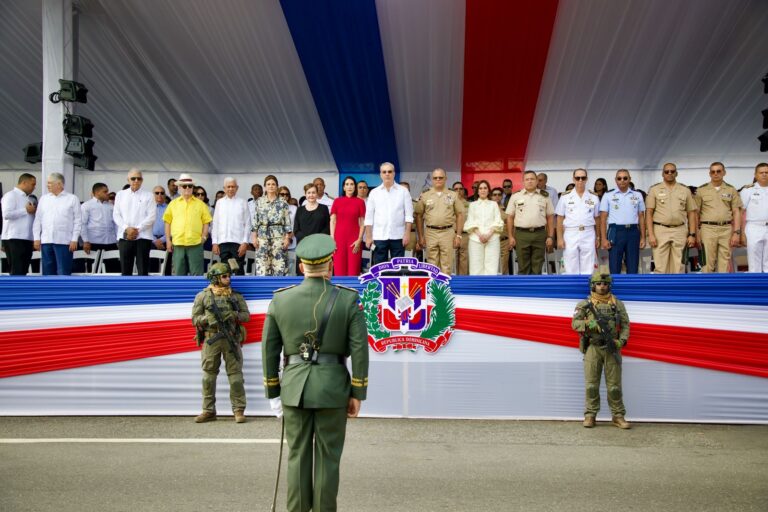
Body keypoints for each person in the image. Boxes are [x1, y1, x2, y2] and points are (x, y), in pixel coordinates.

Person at [261, 233, 369, 512]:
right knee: (328, 458)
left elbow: (269, 349)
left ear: (301, 267)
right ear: (331, 264)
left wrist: (273, 392)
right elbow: (359, 349)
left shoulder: (280, 300)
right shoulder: (348, 300)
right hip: (332, 389)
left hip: (294, 388)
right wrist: (358, 392)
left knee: (297, 456)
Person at [191, 262, 250, 424]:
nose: (228, 279)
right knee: (208, 377)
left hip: (231, 338)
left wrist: (234, 315)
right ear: (215, 278)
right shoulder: (203, 296)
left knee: (236, 377)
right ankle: (208, 410)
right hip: (212, 339)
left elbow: (246, 316)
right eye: (224, 276)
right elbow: (194, 319)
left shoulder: (235, 296)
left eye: (229, 276)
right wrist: (207, 319)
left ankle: (238, 410)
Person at [571, 269, 631, 429]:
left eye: (605, 284)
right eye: (598, 284)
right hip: (593, 347)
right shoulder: (585, 304)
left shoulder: (617, 304)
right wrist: (592, 324)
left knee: (614, 386)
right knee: (591, 385)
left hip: (612, 348)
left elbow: (625, 325)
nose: (602, 286)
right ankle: (590, 415)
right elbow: (575, 324)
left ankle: (618, 415)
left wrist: (621, 342)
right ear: (593, 285)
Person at [645, 163, 697, 274]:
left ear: (676, 173)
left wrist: (692, 234)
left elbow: (691, 213)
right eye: (667, 171)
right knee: (660, 267)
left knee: (679, 267)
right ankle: (661, 286)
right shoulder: (654, 190)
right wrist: (651, 234)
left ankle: (677, 286)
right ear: (662, 173)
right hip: (660, 230)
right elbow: (648, 213)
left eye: (672, 171)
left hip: (679, 230)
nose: (669, 173)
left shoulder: (685, 190)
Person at [414, 168, 465, 274]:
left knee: (447, 264)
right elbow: (418, 215)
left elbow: (460, 214)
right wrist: (421, 236)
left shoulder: (453, 195)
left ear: (445, 178)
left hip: (447, 232)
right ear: (432, 179)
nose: (438, 180)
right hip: (430, 232)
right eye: (435, 178)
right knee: (432, 264)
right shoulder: (425, 195)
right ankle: (434, 284)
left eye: (440, 177)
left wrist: (458, 235)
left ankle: (444, 284)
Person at [695, 162, 743, 273]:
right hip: (708, 229)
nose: (715, 174)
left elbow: (736, 212)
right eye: (713, 172)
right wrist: (697, 232)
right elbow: (695, 213)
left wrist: (736, 232)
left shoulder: (731, 189)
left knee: (724, 264)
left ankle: (723, 285)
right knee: (707, 263)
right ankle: (707, 284)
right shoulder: (701, 190)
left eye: (718, 171)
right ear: (709, 174)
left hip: (726, 229)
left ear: (724, 172)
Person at [507, 170, 555, 275]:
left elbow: (550, 217)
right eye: (527, 179)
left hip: (539, 234)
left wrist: (550, 236)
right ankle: (523, 285)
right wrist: (510, 236)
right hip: (521, 234)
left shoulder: (544, 196)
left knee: (538, 266)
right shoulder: (516, 196)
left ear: (537, 181)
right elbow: (510, 217)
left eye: (532, 179)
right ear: (523, 182)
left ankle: (535, 285)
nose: (530, 181)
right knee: (523, 266)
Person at [32, 172, 81, 275]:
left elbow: (77, 220)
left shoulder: (72, 198)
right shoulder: (44, 199)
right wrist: (36, 238)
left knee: (63, 271)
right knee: (47, 271)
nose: (47, 185)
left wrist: (74, 239)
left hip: (64, 241)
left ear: (59, 184)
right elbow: (38, 219)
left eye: (50, 183)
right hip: (46, 240)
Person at [364, 162, 413, 264]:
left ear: (394, 173)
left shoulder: (403, 191)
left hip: (399, 236)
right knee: (379, 268)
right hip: (379, 236)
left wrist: (407, 233)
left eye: (389, 172)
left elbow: (409, 215)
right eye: (384, 172)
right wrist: (368, 236)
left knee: (398, 267)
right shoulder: (374, 193)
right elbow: (368, 217)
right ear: (380, 174)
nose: (387, 174)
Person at [164, 173, 212, 276]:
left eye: (190, 186)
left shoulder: (201, 204)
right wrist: (168, 240)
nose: (187, 188)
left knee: (197, 275)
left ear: (192, 188)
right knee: (179, 275)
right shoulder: (173, 204)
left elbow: (206, 222)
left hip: (196, 244)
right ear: (179, 187)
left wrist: (204, 237)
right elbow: (167, 222)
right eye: (184, 186)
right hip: (178, 244)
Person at [599, 169, 646, 274]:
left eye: (625, 178)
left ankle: (632, 285)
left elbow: (641, 217)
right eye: (619, 178)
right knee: (614, 265)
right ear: (615, 180)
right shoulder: (608, 195)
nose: (622, 180)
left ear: (629, 179)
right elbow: (603, 219)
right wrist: (603, 239)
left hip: (633, 231)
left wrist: (643, 237)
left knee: (633, 265)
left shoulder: (637, 195)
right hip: (615, 231)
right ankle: (616, 285)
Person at [556, 169, 600, 274]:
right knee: (570, 264)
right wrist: (560, 238)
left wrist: (598, 237)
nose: (580, 180)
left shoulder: (593, 197)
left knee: (588, 265)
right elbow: (559, 219)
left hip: (588, 232)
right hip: (570, 232)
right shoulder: (565, 197)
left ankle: (586, 284)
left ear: (586, 179)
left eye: (583, 178)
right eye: (577, 178)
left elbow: (597, 219)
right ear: (573, 179)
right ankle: (572, 284)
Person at [113, 168, 155, 276]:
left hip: (143, 237)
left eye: (139, 178)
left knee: (143, 271)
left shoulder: (149, 195)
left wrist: (137, 230)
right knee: (125, 271)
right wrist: (127, 228)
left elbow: (151, 216)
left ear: (142, 180)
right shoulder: (120, 194)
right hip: (125, 237)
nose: (136, 181)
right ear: (128, 180)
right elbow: (116, 215)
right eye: (133, 178)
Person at [251, 175, 292, 276]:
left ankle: (279, 286)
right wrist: (254, 237)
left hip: (279, 238)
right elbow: (255, 220)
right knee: (262, 267)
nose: (271, 186)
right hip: (262, 238)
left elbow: (287, 222)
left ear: (277, 186)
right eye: (268, 184)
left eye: (273, 184)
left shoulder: (283, 202)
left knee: (279, 267)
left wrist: (287, 238)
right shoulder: (259, 201)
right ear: (265, 187)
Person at [210, 177, 251, 275]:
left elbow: (248, 224)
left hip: (238, 243)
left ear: (237, 188)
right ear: (224, 188)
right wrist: (214, 242)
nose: (231, 189)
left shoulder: (243, 202)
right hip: (223, 242)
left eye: (233, 186)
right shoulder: (220, 203)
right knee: (224, 271)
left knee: (238, 270)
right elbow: (215, 223)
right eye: (228, 187)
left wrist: (245, 242)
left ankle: (239, 286)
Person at [464, 180, 504, 275]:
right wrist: (480, 235)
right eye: (480, 188)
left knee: (492, 267)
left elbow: (498, 220)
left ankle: (490, 285)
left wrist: (488, 235)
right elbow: (470, 221)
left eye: (485, 188)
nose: (483, 190)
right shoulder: (472, 205)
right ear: (477, 191)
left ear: (488, 190)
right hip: (475, 239)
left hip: (492, 238)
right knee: (475, 267)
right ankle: (476, 285)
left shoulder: (494, 204)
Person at [1, 173, 37, 275]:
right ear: (24, 183)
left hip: (28, 238)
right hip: (14, 237)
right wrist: (25, 210)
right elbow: (6, 214)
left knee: (24, 270)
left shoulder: (29, 198)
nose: (34, 187)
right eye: (32, 184)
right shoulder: (10, 195)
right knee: (17, 269)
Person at [331, 176, 366, 276]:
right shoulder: (337, 201)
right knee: (339, 271)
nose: (349, 186)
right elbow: (332, 221)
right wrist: (332, 239)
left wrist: (359, 239)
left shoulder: (360, 202)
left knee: (353, 271)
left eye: (352, 184)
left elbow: (363, 222)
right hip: (338, 240)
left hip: (354, 240)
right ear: (344, 187)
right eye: (347, 184)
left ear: (355, 187)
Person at [293, 183, 330, 274]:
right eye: (309, 193)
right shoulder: (300, 210)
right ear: (305, 194)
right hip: (303, 247)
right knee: (303, 273)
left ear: (317, 194)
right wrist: (306, 239)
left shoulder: (324, 208)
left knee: (319, 273)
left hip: (319, 246)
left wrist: (315, 240)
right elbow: (296, 229)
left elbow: (327, 227)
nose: (311, 195)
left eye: (313, 192)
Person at [80, 183, 118, 272]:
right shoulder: (87, 205)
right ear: (97, 193)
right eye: (105, 191)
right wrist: (85, 241)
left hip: (110, 242)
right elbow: (82, 224)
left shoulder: (111, 206)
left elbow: (115, 224)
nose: (107, 193)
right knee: (94, 269)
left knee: (113, 269)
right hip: (94, 242)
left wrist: (117, 239)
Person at [740, 162, 768, 272]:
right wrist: (741, 233)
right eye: (761, 172)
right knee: (754, 261)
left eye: (766, 172)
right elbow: (741, 212)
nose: (764, 174)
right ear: (755, 175)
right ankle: (756, 282)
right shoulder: (748, 190)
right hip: (754, 227)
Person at [452, 182, 470, 275]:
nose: (458, 191)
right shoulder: (448, 203)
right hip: (452, 234)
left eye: (460, 189)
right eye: (456, 189)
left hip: (465, 235)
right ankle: (451, 281)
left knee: (464, 262)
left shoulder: (469, 205)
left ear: (463, 190)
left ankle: (463, 281)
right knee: (452, 260)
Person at [492, 187, 511, 274]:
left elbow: (511, 225)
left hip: (504, 241)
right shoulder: (486, 209)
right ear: (491, 196)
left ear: (502, 196)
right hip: (491, 241)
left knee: (504, 267)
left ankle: (504, 282)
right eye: (494, 195)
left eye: (499, 195)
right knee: (492, 266)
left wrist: (511, 239)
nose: (497, 196)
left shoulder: (507, 209)